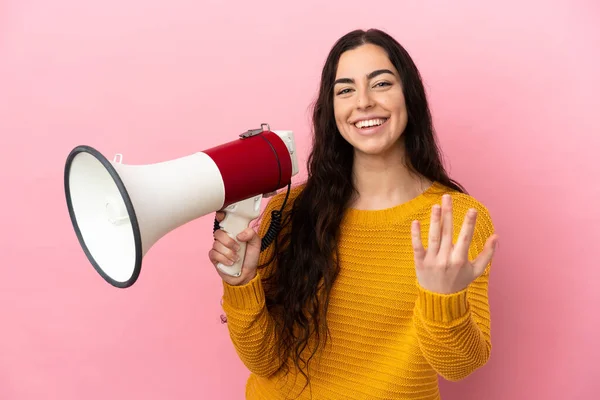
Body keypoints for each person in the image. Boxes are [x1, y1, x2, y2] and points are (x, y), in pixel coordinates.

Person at [209, 28, 498, 400]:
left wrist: (443, 298)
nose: (363, 102)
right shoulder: (294, 209)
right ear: (332, 110)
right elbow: (263, 361)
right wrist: (240, 285)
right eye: (345, 89)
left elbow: (459, 366)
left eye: (380, 84)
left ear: (409, 96)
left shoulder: (456, 218)